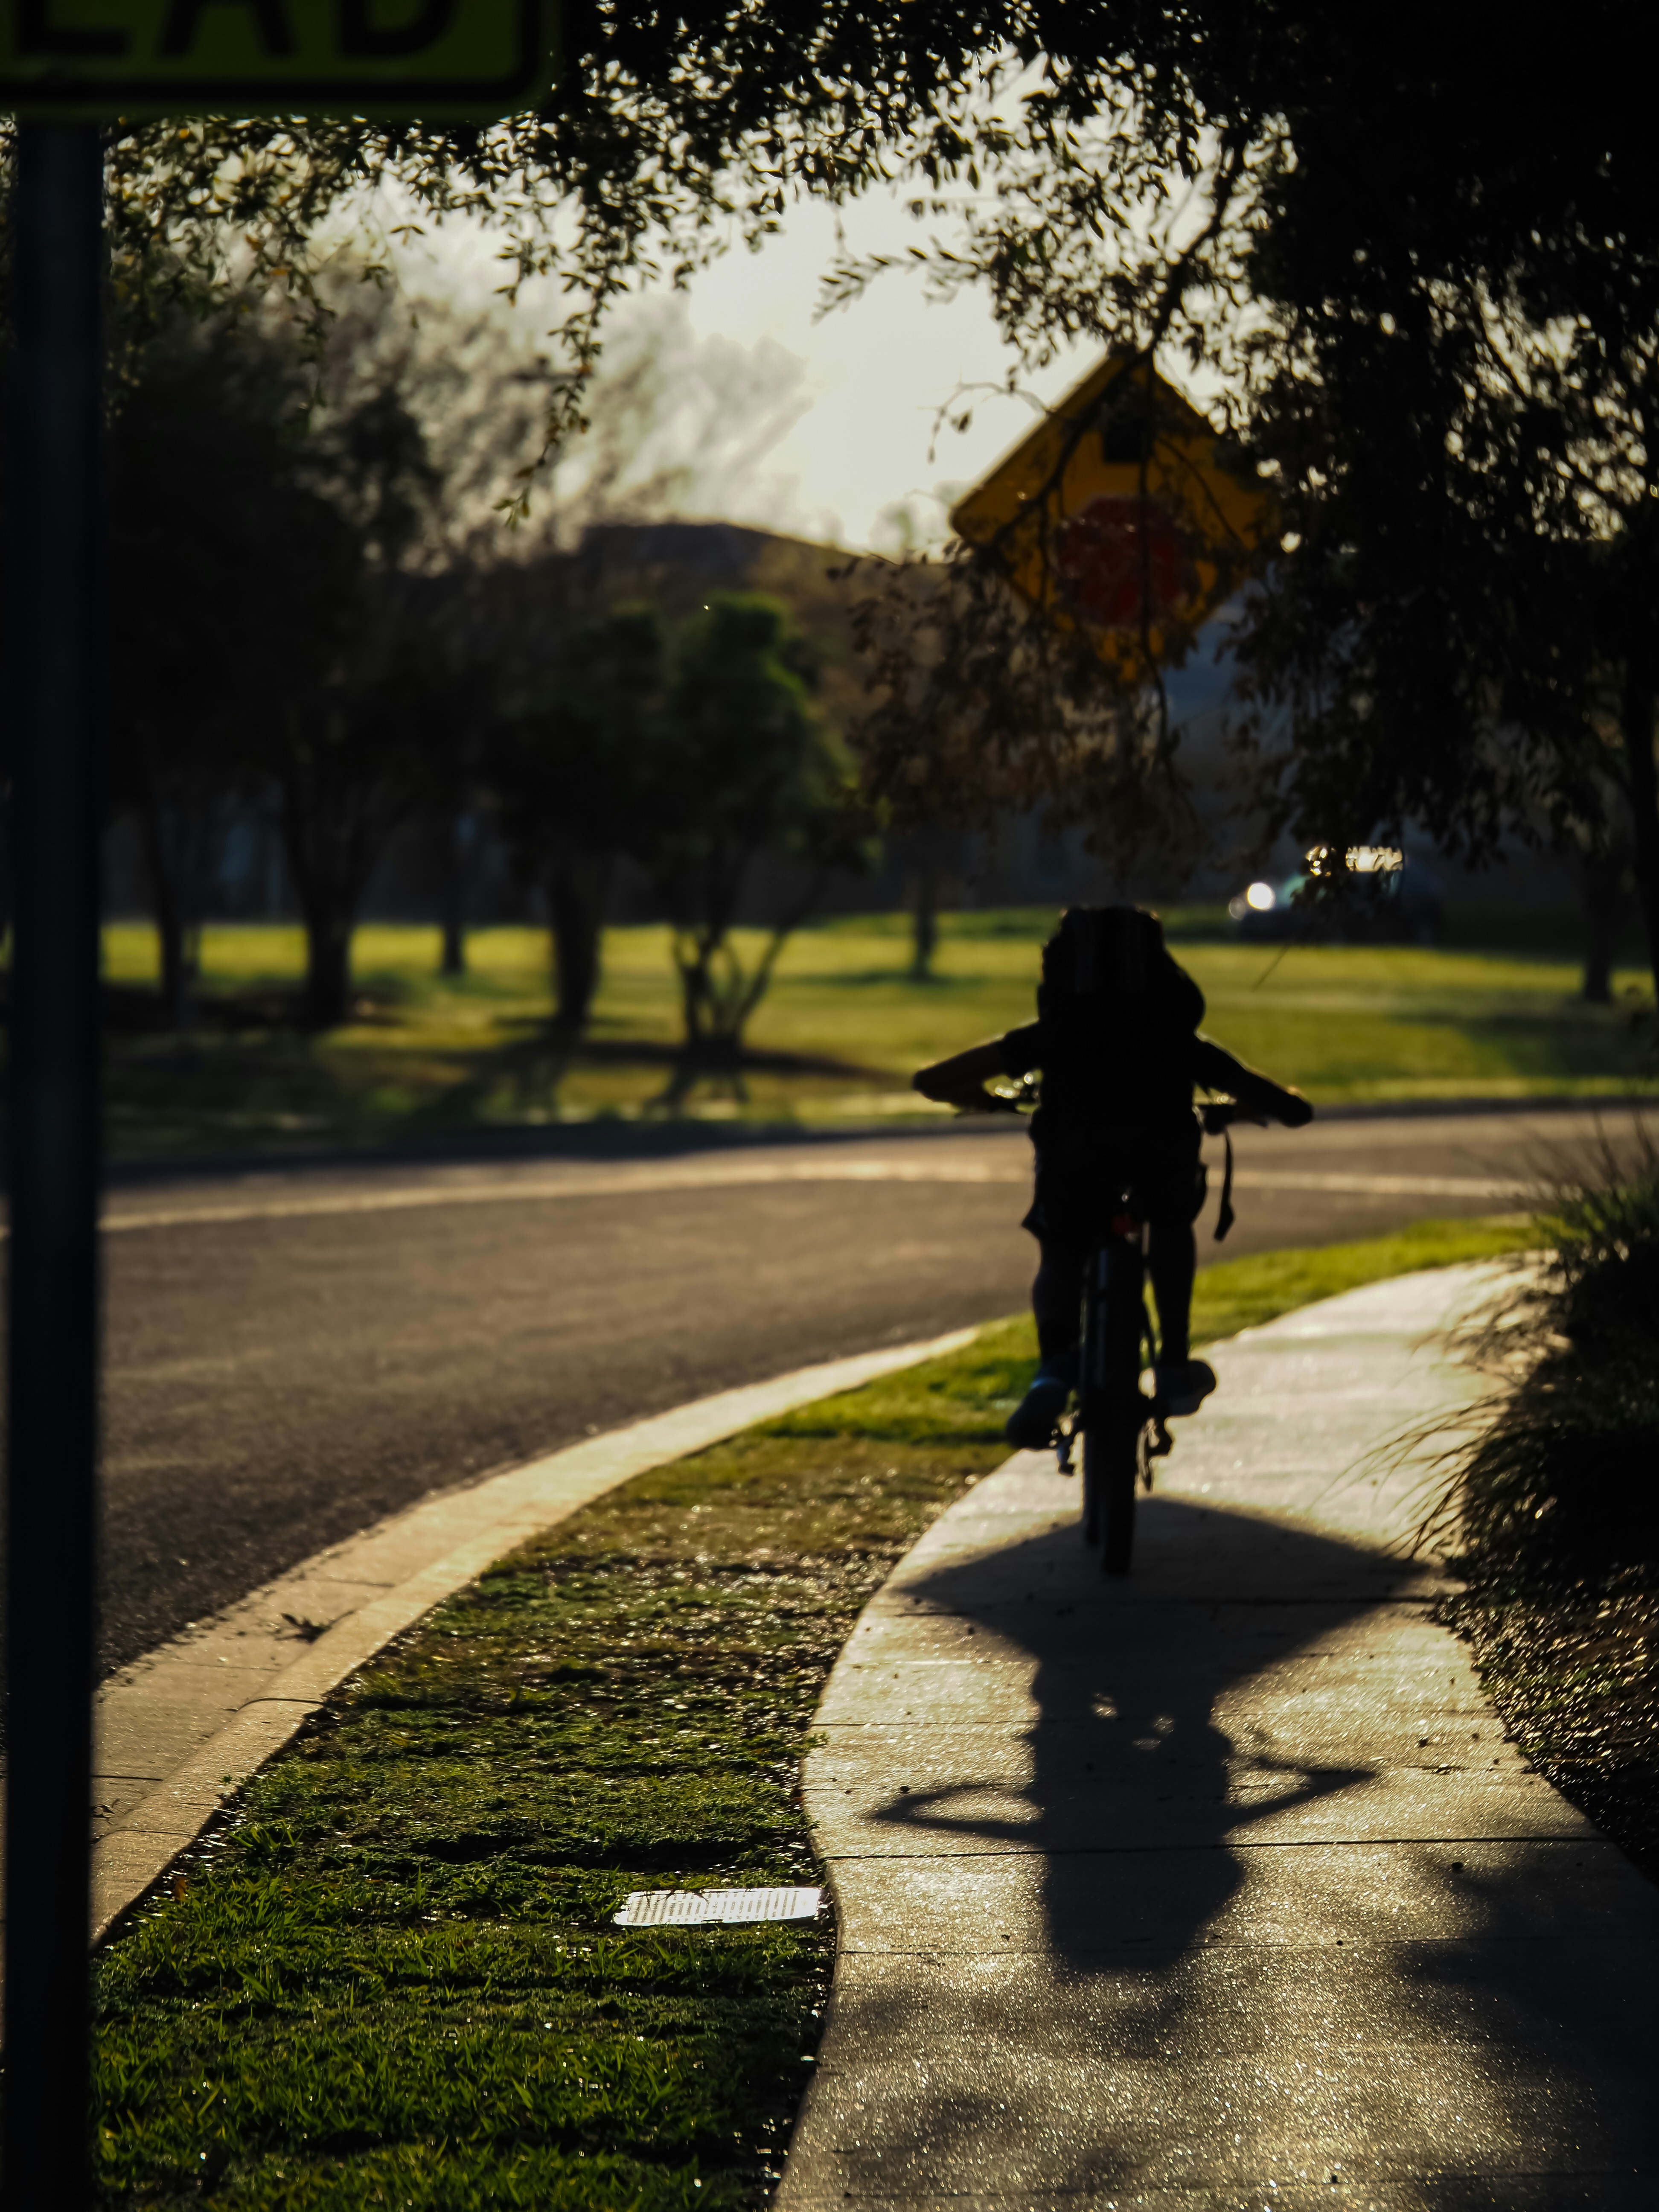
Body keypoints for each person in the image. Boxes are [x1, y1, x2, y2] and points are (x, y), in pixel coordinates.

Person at [912, 904, 1313, 1447]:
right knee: (1172, 1227)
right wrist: (1234, 1108)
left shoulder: (1052, 1035)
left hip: (1074, 1161)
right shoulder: (1176, 1038)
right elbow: (1293, 1111)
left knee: (1060, 1253)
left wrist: (988, 1100)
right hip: (1161, 1158)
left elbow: (931, 1081)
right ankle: (1173, 1362)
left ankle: (1055, 1368)